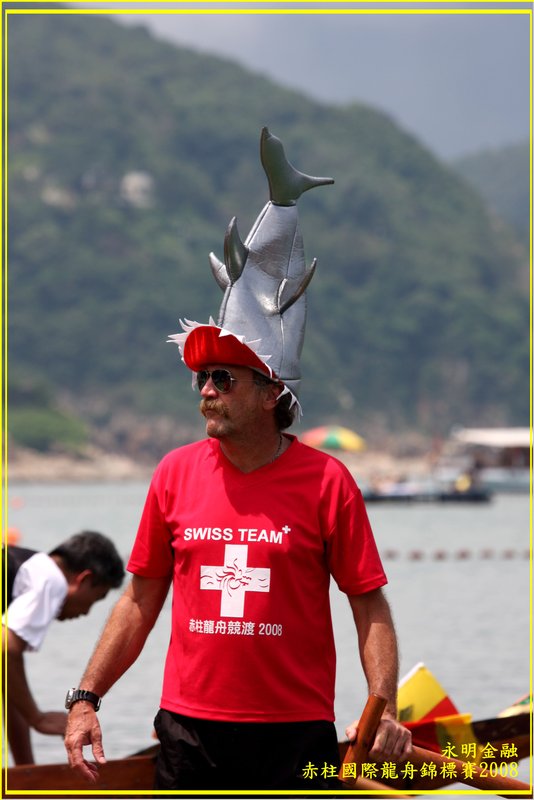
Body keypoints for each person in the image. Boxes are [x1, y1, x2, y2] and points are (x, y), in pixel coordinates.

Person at [64, 128, 412, 790]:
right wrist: (85, 699)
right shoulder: (174, 474)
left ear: (270, 391)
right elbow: (139, 599)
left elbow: (368, 605)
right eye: (202, 377)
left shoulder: (328, 482)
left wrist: (384, 707)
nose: (205, 390)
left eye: (223, 377)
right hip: (188, 734)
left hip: (296, 736)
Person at [2, 530, 125, 765]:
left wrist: (27, 770)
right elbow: (6, 648)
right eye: (96, 598)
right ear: (84, 579)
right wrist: (38, 719)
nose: (86, 612)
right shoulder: (51, 579)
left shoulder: (25, 572)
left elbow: (9, 684)